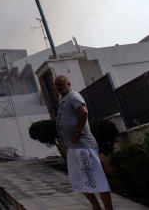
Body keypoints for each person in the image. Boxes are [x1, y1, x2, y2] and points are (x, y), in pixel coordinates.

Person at [54, 75, 114, 210]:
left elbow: (83, 112)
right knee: (80, 180)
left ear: (68, 84)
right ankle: (96, 207)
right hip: (72, 148)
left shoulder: (73, 95)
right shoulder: (63, 100)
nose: (58, 87)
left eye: (61, 84)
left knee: (96, 178)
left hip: (83, 146)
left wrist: (78, 130)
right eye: (56, 85)